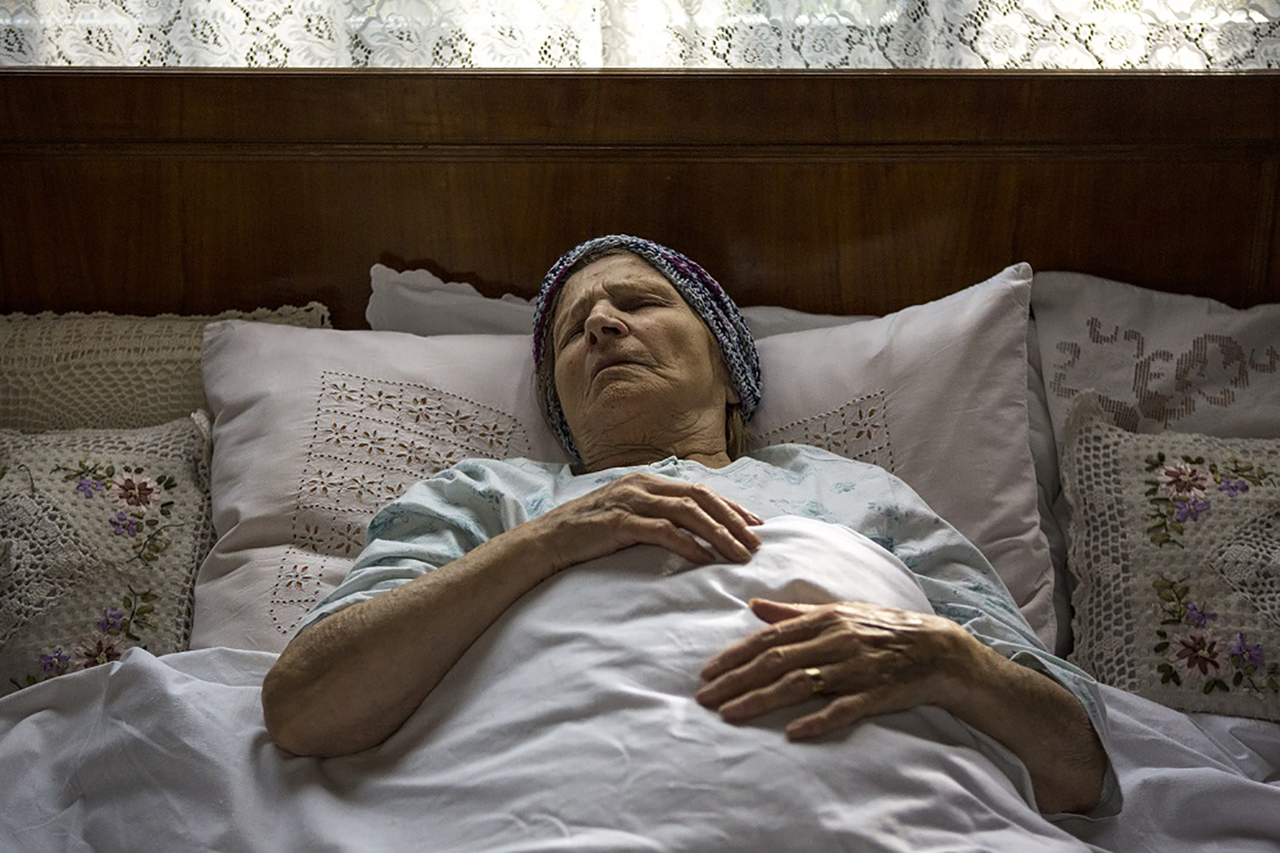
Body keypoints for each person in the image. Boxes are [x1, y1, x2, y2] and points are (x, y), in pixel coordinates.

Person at [262, 234, 1116, 818]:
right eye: (573, 331)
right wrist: (550, 540)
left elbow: (1079, 768)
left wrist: (948, 660)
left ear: (730, 370)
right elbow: (306, 704)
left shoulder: (856, 492)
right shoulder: (485, 496)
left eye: (638, 302)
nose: (602, 323)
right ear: (560, 402)